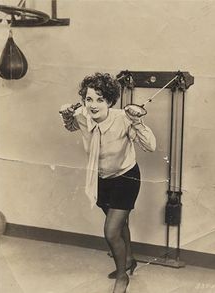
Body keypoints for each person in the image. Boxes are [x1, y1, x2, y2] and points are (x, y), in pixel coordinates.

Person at [59, 72, 156, 293]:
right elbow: (72, 126)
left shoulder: (123, 118)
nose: (93, 105)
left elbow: (150, 146)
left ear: (110, 101)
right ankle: (129, 259)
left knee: (111, 231)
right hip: (100, 178)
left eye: (100, 99)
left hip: (126, 177)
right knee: (120, 225)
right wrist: (66, 115)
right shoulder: (83, 115)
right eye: (89, 99)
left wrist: (137, 122)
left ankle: (122, 277)